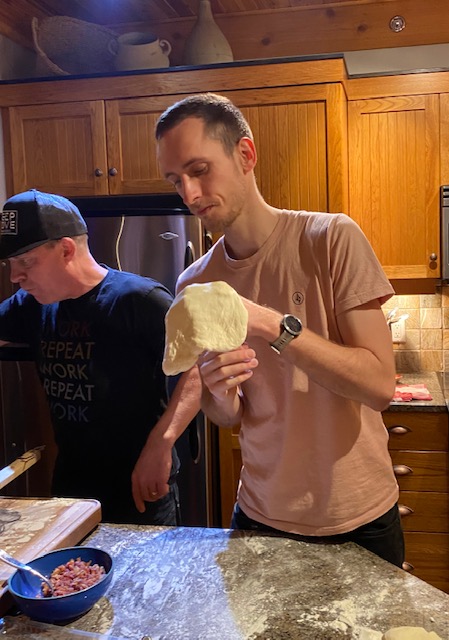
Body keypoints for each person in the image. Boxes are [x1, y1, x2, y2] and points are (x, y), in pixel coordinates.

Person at [154, 93, 405, 567]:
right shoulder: (195, 281)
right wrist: (220, 393)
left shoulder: (331, 239)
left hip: (359, 520)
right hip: (260, 516)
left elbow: (378, 386)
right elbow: (228, 416)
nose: (188, 194)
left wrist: (271, 324)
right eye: (175, 180)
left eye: (199, 169)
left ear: (245, 155)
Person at [0, 189, 200, 524]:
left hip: (141, 489)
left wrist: (160, 444)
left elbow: (199, 367)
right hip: (72, 492)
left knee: (144, 578)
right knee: (76, 576)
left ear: (65, 249)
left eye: (25, 262)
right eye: (10, 264)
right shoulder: (31, 304)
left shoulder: (139, 299)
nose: (14, 277)